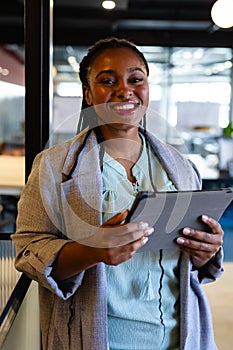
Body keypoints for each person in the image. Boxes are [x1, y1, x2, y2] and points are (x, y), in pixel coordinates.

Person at [12, 37, 224, 350]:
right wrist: (91, 251)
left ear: (148, 88)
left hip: (182, 337)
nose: (125, 90)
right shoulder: (53, 166)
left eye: (136, 79)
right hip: (102, 339)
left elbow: (192, 260)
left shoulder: (181, 166)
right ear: (88, 94)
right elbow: (28, 254)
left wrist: (206, 253)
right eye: (108, 81)